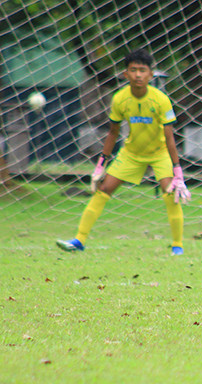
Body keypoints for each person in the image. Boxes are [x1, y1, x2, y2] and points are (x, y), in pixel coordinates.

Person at [56, 49, 191, 255]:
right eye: (133, 70)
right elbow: (112, 132)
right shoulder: (119, 98)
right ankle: (79, 240)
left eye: (143, 70)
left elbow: (170, 136)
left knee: (170, 193)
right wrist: (101, 164)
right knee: (104, 189)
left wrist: (177, 169)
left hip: (159, 153)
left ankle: (178, 246)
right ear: (125, 74)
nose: (138, 75)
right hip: (130, 154)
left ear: (151, 74)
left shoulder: (161, 100)